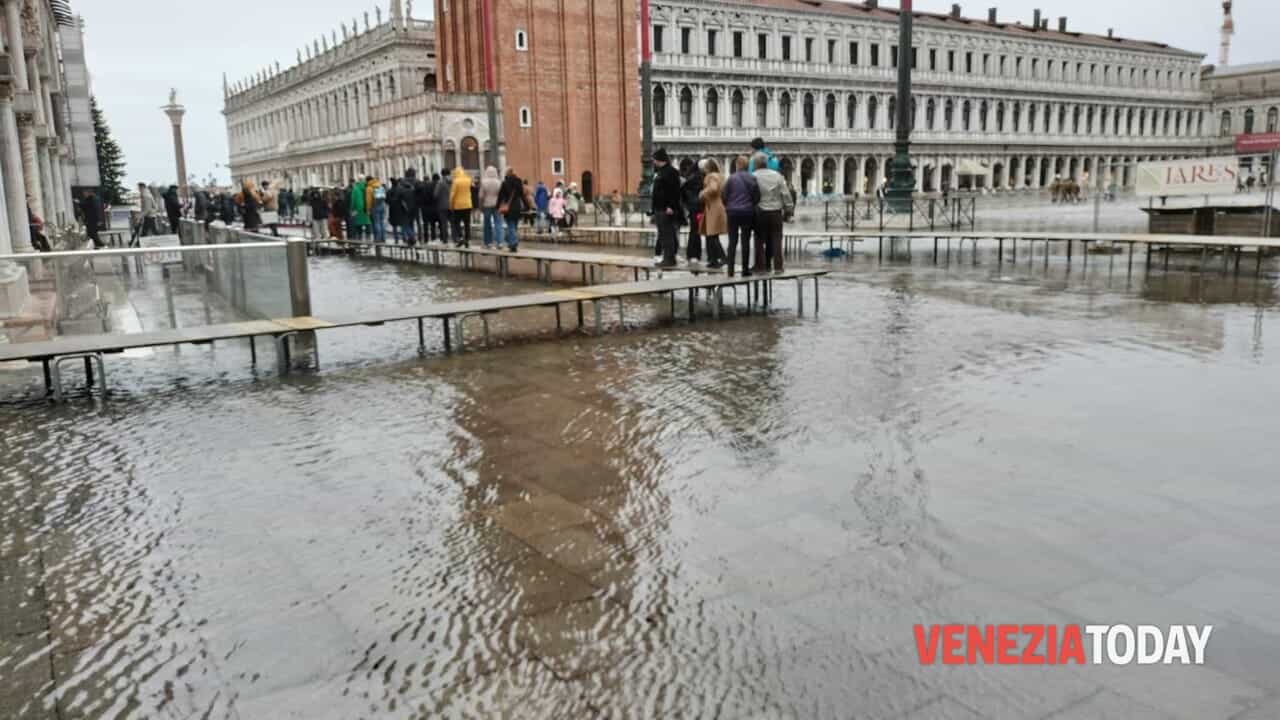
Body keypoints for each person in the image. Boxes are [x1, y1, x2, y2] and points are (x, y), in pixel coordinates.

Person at [752, 151, 792, 273]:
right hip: (776, 212)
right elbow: (786, 194)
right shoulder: (777, 176)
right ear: (766, 163)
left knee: (759, 239)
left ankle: (761, 266)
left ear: (755, 164)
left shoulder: (752, 176)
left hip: (760, 212)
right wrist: (789, 210)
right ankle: (778, 267)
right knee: (776, 239)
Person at [722, 155, 759, 277]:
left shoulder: (731, 179)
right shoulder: (752, 178)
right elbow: (757, 197)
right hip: (747, 212)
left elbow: (723, 196)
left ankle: (730, 270)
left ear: (737, 165)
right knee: (745, 241)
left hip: (732, 212)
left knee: (732, 241)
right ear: (748, 166)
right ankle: (745, 269)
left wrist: (729, 206)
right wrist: (750, 205)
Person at [650, 148, 682, 269]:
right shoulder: (660, 171)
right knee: (663, 234)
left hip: (666, 209)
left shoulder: (671, 172)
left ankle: (669, 259)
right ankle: (667, 257)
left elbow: (675, 191)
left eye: (654, 159)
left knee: (667, 234)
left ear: (660, 160)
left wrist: (671, 206)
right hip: (659, 208)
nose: (653, 162)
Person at [698, 158, 728, 270]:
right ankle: (713, 260)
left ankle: (722, 257)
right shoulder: (721, 176)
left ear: (708, 168)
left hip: (713, 207)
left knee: (711, 235)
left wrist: (702, 193)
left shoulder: (711, 176)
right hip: (718, 206)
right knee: (711, 235)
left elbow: (713, 188)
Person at [680, 158, 704, 263]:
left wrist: (688, 205)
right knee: (696, 232)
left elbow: (682, 193)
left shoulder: (690, 178)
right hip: (699, 208)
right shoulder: (700, 178)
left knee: (694, 231)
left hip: (693, 208)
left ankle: (692, 255)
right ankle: (695, 255)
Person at [496, 168, 525, 252]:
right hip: (517, 206)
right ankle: (511, 241)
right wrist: (527, 206)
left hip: (509, 207)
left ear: (507, 174)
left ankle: (513, 243)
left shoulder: (505, 183)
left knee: (510, 225)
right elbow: (522, 195)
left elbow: (500, 196)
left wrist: (497, 206)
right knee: (514, 225)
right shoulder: (519, 182)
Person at [448, 166, 473, 247]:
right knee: (467, 223)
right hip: (468, 204)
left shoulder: (455, 181)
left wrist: (451, 205)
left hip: (458, 206)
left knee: (457, 223)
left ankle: (460, 237)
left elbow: (452, 195)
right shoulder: (468, 180)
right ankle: (468, 239)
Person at [478, 166, 502, 248]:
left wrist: (480, 206)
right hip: (497, 204)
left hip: (486, 204)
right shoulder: (499, 182)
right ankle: (499, 242)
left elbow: (481, 196)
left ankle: (488, 242)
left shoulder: (484, 182)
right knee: (498, 223)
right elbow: (501, 195)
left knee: (487, 224)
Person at [396, 170, 419, 245]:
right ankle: (412, 238)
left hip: (404, 209)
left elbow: (398, 198)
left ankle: (411, 237)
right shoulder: (415, 184)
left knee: (405, 224)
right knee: (412, 223)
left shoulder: (401, 187)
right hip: (414, 207)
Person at [434, 170, 453, 243]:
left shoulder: (440, 183)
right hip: (451, 205)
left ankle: (445, 239)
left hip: (442, 206)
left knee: (444, 224)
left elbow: (435, 194)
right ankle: (455, 238)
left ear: (442, 174)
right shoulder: (452, 182)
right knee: (453, 223)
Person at [416, 172, 435, 242]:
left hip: (423, 207)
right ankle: (433, 238)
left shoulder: (420, 186)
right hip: (431, 206)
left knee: (425, 223)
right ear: (428, 179)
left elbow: (417, 195)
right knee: (432, 223)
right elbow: (434, 195)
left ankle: (426, 238)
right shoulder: (431, 185)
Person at [368, 176, 387, 243]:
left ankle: (378, 238)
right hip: (382, 205)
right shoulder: (380, 186)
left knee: (376, 223)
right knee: (382, 222)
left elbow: (369, 200)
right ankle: (383, 238)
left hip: (375, 206)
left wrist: (368, 209)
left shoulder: (369, 188)